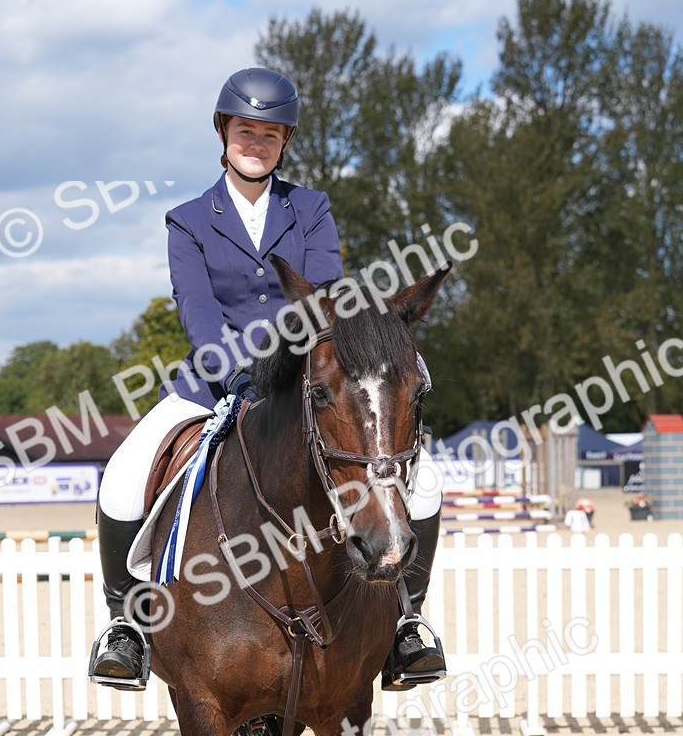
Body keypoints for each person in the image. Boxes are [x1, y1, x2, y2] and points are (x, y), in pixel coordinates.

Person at [89, 67, 445, 691]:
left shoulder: (310, 209)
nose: (256, 143)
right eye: (246, 131)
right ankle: (126, 625)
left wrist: (288, 374)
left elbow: (323, 299)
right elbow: (197, 312)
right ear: (224, 132)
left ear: (285, 143)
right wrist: (235, 376)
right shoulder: (188, 220)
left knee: (432, 481)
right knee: (123, 475)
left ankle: (406, 623)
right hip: (210, 383)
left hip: (302, 379)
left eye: (271, 134)